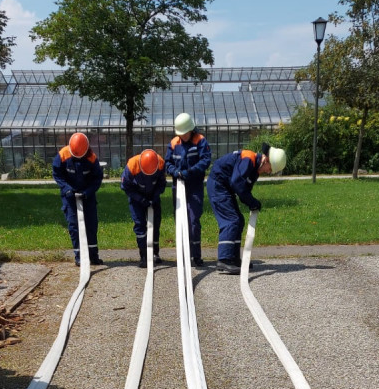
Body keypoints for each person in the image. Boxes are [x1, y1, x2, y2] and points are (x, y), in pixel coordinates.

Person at [206, 142, 286, 274]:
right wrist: (251, 202)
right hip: (218, 186)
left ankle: (233, 258)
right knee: (231, 220)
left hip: (224, 187)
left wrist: (251, 201)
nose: (268, 172)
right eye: (270, 168)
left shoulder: (255, 168)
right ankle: (224, 260)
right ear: (266, 160)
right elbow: (237, 183)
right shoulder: (248, 159)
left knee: (239, 220)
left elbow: (245, 189)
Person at [165, 112, 211, 268]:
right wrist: (174, 172)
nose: (182, 136)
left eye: (185, 133)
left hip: (194, 186)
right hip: (177, 186)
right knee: (180, 221)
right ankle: (183, 255)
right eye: (180, 133)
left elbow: (205, 160)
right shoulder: (174, 143)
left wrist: (190, 172)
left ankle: (196, 256)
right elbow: (167, 163)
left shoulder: (200, 141)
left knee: (193, 221)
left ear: (191, 130)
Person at [51, 132, 104, 266]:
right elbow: (57, 174)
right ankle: (79, 256)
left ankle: (93, 256)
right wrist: (67, 189)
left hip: (88, 196)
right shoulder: (63, 155)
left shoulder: (91, 158)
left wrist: (87, 192)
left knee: (91, 225)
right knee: (74, 225)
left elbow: (97, 178)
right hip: (69, 196)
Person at [120, 149, 167, 268]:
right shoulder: (132, 165)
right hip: (136, 199)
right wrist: (140, 199)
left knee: (155, 224)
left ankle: (155, 253)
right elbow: (125, 186)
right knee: (140, 225)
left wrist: (155, 197)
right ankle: (144, 256)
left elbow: (162, 183)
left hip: (153, 196)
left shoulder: (160, 163)